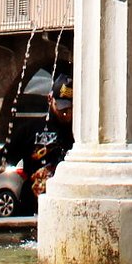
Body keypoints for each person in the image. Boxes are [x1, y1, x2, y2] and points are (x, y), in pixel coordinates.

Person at [20, 78, 76, 211]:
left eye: (69, 108)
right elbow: (0, 163)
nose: (65, 113)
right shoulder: (31, 129)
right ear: (50, 99)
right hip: (33, 208)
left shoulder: (79, 135)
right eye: (61, 107)